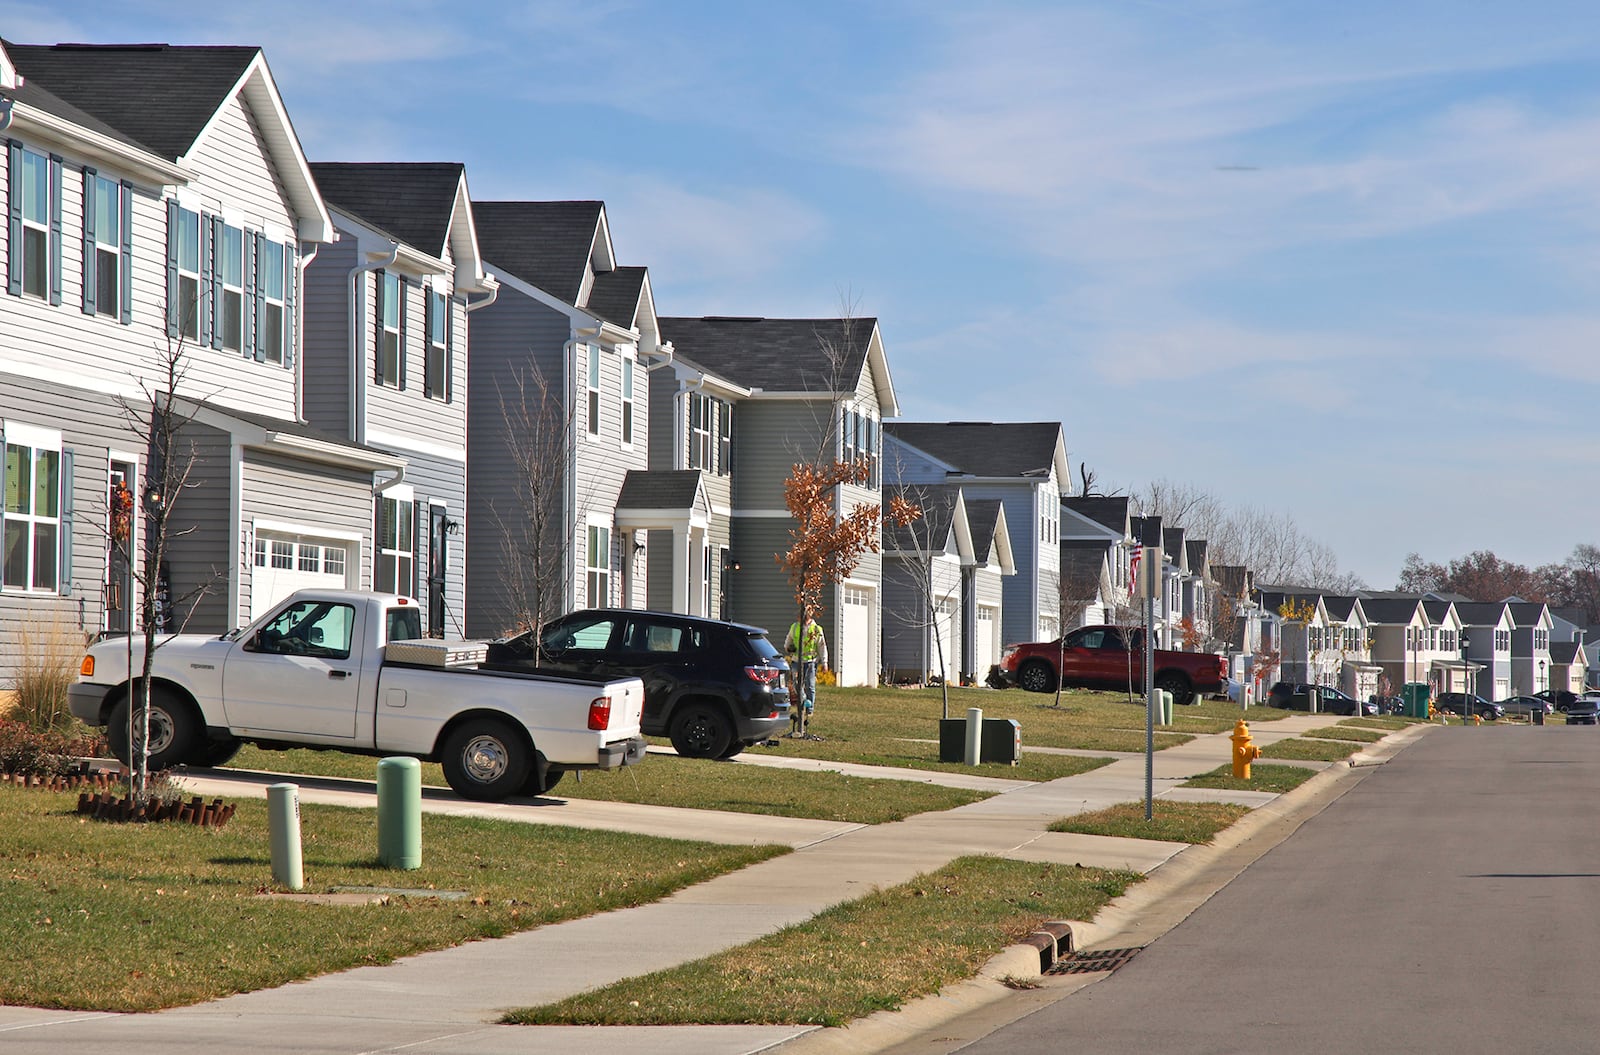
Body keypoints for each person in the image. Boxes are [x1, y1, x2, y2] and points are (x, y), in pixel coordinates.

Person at [784, 611, 829, 736]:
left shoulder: (816, 629)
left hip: (810, 661)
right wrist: (788, 648)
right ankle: (803, 701)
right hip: (796, 661)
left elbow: (822, 646)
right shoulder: (795, 627)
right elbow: (788, 640)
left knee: (810, 685)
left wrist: (824, 662)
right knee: (796, 685)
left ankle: (809, 709)